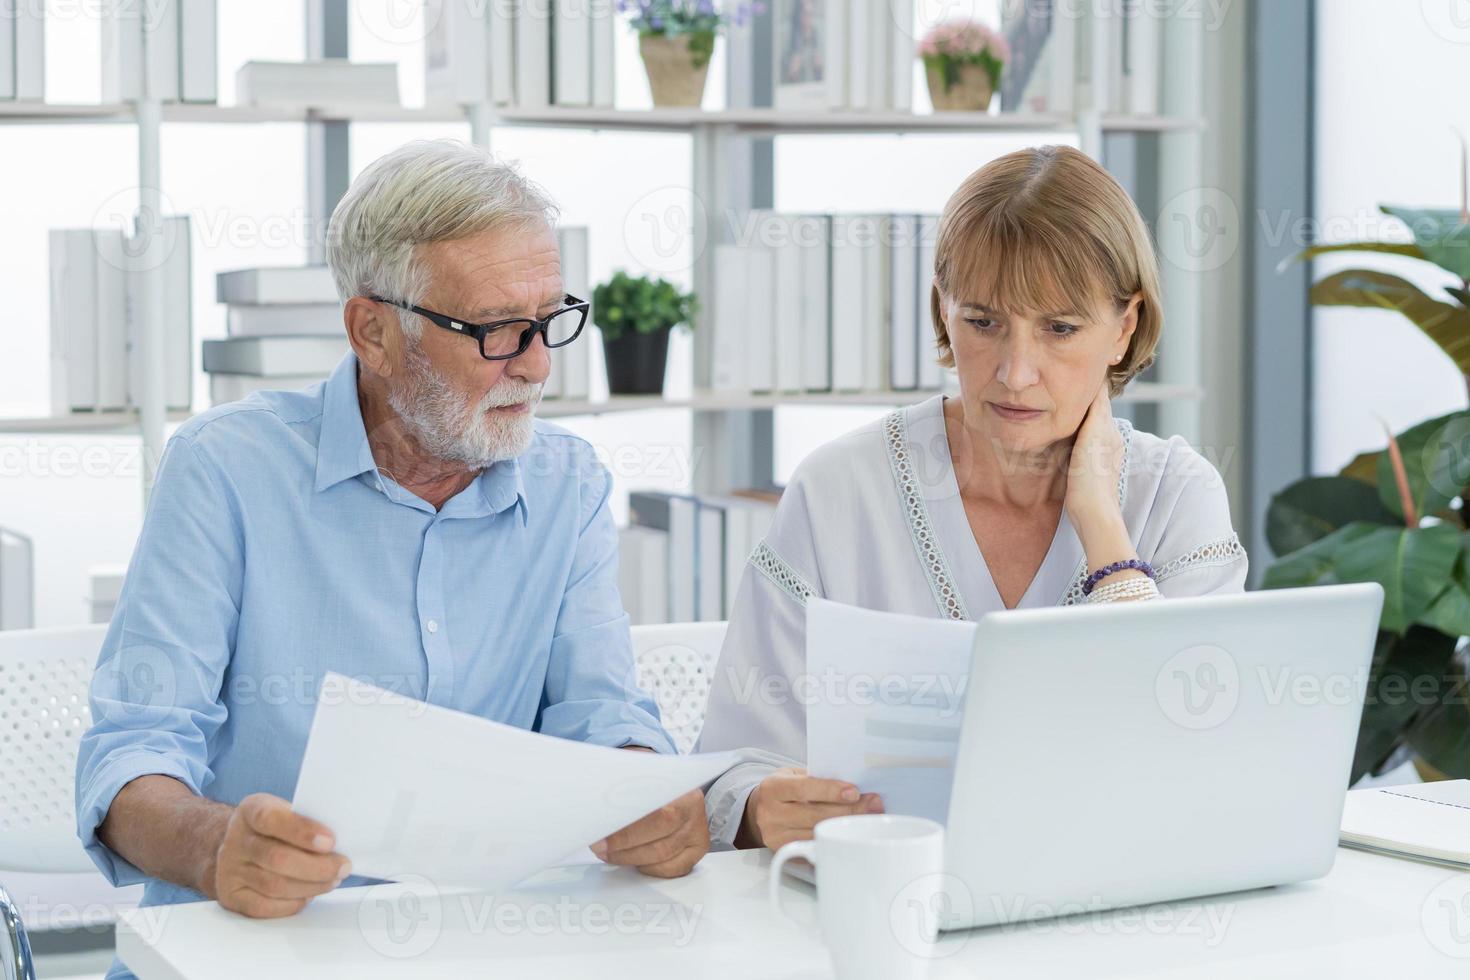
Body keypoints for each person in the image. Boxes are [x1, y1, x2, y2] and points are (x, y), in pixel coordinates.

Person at [76, 141, 708, 978]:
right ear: (373, 331)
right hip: (252, 952)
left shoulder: (568, 483)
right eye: (494, 330)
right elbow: (132, 755)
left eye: (550, 320)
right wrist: (215, 846)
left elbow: (602, 716)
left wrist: (648, 795)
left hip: (484, 949)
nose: (536, 363)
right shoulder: (225, 469)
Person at [696, 144, 1248, 852]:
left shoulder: (1177, 496)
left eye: (1060, 328)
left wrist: (1104, 532)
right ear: (943, 311)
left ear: (1125, 328)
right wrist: (760, 806)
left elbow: (1197, 761)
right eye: (984, 322)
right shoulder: (839, 489)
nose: (1016, 373)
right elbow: (733, 768)